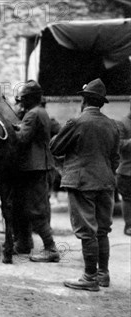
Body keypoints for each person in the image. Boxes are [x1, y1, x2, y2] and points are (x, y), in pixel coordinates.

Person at [50, 78, 120, 291]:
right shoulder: (112, 125)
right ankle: (103, 274)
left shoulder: (77, 122)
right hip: (106, 183)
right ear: (101, 103)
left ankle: (89, 277)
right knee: (103, 230)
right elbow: (115, 159)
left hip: (82, 183)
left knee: (87, 230)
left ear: (85, 100)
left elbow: (55, 148)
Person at [12, 80, 59, 262]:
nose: (21, 102)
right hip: (38, 166)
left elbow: (23, 138)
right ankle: (24, 243)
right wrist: (20, 127)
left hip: (33, 167)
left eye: (23, 99)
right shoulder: (40, 112)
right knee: (25, 207)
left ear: (30, 99)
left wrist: (9, 128)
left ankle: (51, 248)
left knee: (35, 209)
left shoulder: (32, 114)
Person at [116, 102, 131, 236]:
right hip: (126, 169)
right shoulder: (122, 123)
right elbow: (118, 144)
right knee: (127, 198)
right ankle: (129, 225)